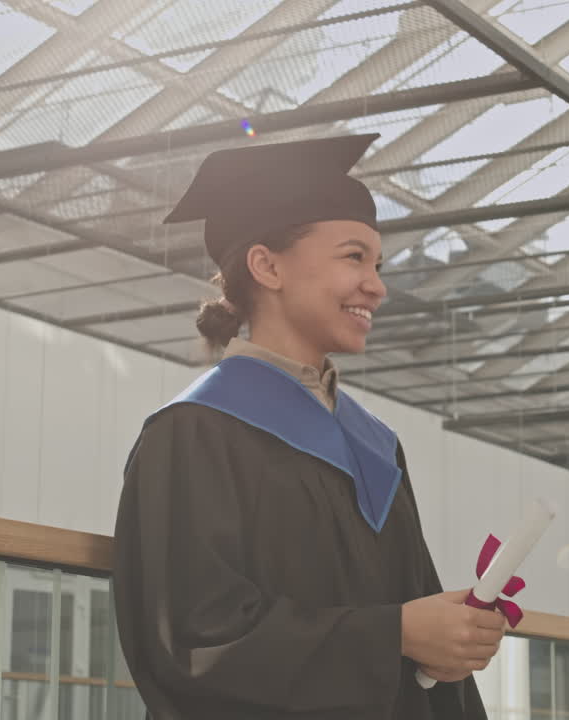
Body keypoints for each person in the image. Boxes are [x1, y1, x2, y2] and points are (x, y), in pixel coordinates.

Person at [112, 134, 500, 720]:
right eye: (354, 258)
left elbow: (411, 627)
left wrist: (445, 642)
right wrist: (392, 633)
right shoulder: (195, 433)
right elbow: (192, 640)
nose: (377, 285)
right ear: (266, 265)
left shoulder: (375, 444)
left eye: (378, 264)